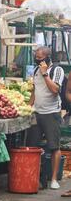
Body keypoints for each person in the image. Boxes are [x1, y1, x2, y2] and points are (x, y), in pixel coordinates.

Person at [28, 47, 65, 190]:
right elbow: (34, 91)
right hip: (37, 113)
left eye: (41, 58)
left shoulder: (57, 70)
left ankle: (54, 179)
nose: (38, 60)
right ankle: (36, 177)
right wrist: (28, 107)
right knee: (33, 145)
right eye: (36, 57)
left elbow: (55, 90)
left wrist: (45, 75)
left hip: (52, 113)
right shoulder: (36, 70)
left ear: (48, 57)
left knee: (54, 146)